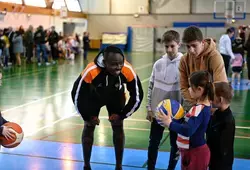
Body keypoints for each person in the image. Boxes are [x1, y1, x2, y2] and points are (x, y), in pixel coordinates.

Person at [71, 45, 144, 170]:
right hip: (93, 97)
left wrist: (122, 115)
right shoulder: (91, 71)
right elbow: (77, 95)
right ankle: (86, 165)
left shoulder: (127, 69)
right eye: (114, 64)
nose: (118, 67)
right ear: (105, 63)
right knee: (88, 126)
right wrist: (87, 116)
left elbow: (137, 96)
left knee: (118, 126)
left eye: (120, 63)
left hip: (116, 96)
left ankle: (119, 166)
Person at [157, 71, 213, 170]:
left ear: (199, 89)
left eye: (191, 87)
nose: (189, 89)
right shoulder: (202, 107)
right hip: (191, 151)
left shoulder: (199, 109)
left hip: (196, 154)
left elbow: (188, 130)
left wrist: (170, 123)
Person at [146, 30, 183, 170]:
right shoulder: (158, 64)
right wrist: (149, 108)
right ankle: (150, 167)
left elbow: (187, 91)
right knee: (153, 142)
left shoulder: (185, 64)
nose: (169, 49)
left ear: (179, 44)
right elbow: (151, 86)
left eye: (172, 46)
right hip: (158, 112)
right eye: (166, 46)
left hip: (177, 115)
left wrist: (185, 112)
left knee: (175, 144)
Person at [179, 26, 227, 111]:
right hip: (192, 104)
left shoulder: (214, 57)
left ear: (203, 42)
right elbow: (183, 87)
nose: (191, 50)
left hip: (212, 104)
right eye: (188, 46)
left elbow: (220, 84)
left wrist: (205, 105)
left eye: (194, 45)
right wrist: (196, 104)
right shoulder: (184, 60)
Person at [206, 82, 235, 170]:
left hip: (220, 164)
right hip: (213, 159)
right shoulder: (217, 113)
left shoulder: (228, 121)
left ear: (221, 99)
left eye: (212, 97)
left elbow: (223, 149)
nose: (210, 100)